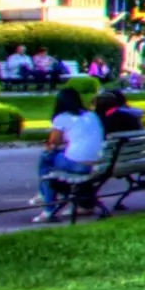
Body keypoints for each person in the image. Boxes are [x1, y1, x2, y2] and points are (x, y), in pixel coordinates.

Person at [31, 87, 107, 224]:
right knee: (56, 157)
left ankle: (47, 204)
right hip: (99, 163)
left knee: (46, 159)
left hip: (79, 165)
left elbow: (53, 143)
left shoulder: (62, 118)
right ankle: (85, 205)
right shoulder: (92, 115)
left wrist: (50, 145)